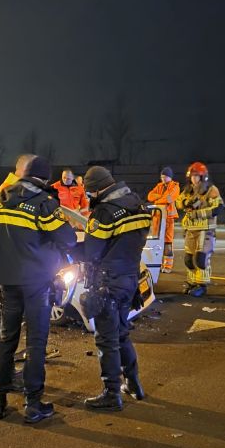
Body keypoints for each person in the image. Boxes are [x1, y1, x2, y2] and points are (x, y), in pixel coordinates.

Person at [0, 154, 77, 423]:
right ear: (44, 179)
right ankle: (33, 404)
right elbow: (68, 239)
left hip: (6, 281)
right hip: (36, 283)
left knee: (6, 341)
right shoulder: (43, 203)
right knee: (36, 343)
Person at [80, 166, 152, 411]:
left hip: (107, 283)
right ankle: (133, 384)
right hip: (130, 279)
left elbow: (91, 251)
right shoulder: (137, 204)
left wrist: (66, 247)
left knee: (107, 340)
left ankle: (111, 393)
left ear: (99, 189)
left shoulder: (104, 212)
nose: (89, 196)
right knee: (121, 334)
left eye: (90, 192)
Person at [175, 162, 222, 297]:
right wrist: (185, 203)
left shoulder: (211, 190)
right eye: (192, 176)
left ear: (203, 177)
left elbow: (218, 208)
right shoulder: (188, 190)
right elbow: (178, 201)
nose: (194, 179)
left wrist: (199, 213)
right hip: (190, 229)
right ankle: (192, 282)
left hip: (205, 229)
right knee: (188, 259)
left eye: (196, 176)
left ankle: (202, 285)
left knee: (201, 258)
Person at [146, 167, 180, 273]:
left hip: (168, 218)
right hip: (158, 218)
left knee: (168, 242)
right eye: (162, 177)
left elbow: (170, 198)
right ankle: (156, 264)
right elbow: (150, 196)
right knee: (156, 242)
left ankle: (168, 266)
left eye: (165, 177)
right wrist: (162, 197)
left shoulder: (175, 186)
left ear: (170, 177)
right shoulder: (159, 186)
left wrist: (158, 199)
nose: (163, 179)